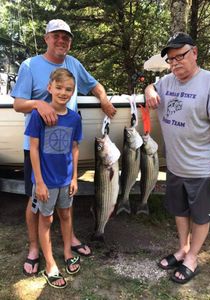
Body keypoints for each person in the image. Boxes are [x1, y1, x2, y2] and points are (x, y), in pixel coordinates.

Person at [11, 19, 117, 276]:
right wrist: (39, 104)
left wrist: (103, 99)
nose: (61, 41)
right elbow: (18, 103)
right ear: (47, 38)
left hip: (65, 150)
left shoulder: (74, 64)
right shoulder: (30, 65)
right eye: (56, 36)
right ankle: (35, 248)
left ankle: (70, 241)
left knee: (65, 199)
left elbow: (94, 84)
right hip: (38, 148)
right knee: (36, 198)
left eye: (66, 38)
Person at [145, 32, 210, 284]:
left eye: (180, 56)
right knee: (179, 211)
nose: (175, 63)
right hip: (175, 165)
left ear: (195, 53)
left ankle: (192, 257)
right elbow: (152, 87)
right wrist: (148, 88)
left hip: (202, 167)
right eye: (171, 59)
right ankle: (182, 248)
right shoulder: (167, 82)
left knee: (200, 215)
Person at [25, 68, 81, 288]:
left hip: (66, 180)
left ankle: (67, 252)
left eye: (68, 89)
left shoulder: (75, 118)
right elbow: (34, 148)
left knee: (66, 215)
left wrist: (75, 177)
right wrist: (39, 181)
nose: (63, 92)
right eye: (59, 88)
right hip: (46, 181)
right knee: (46, 219)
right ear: (49, 88)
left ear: (73, 92)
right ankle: (50, 264)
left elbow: (75, 147)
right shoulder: (38, 116)